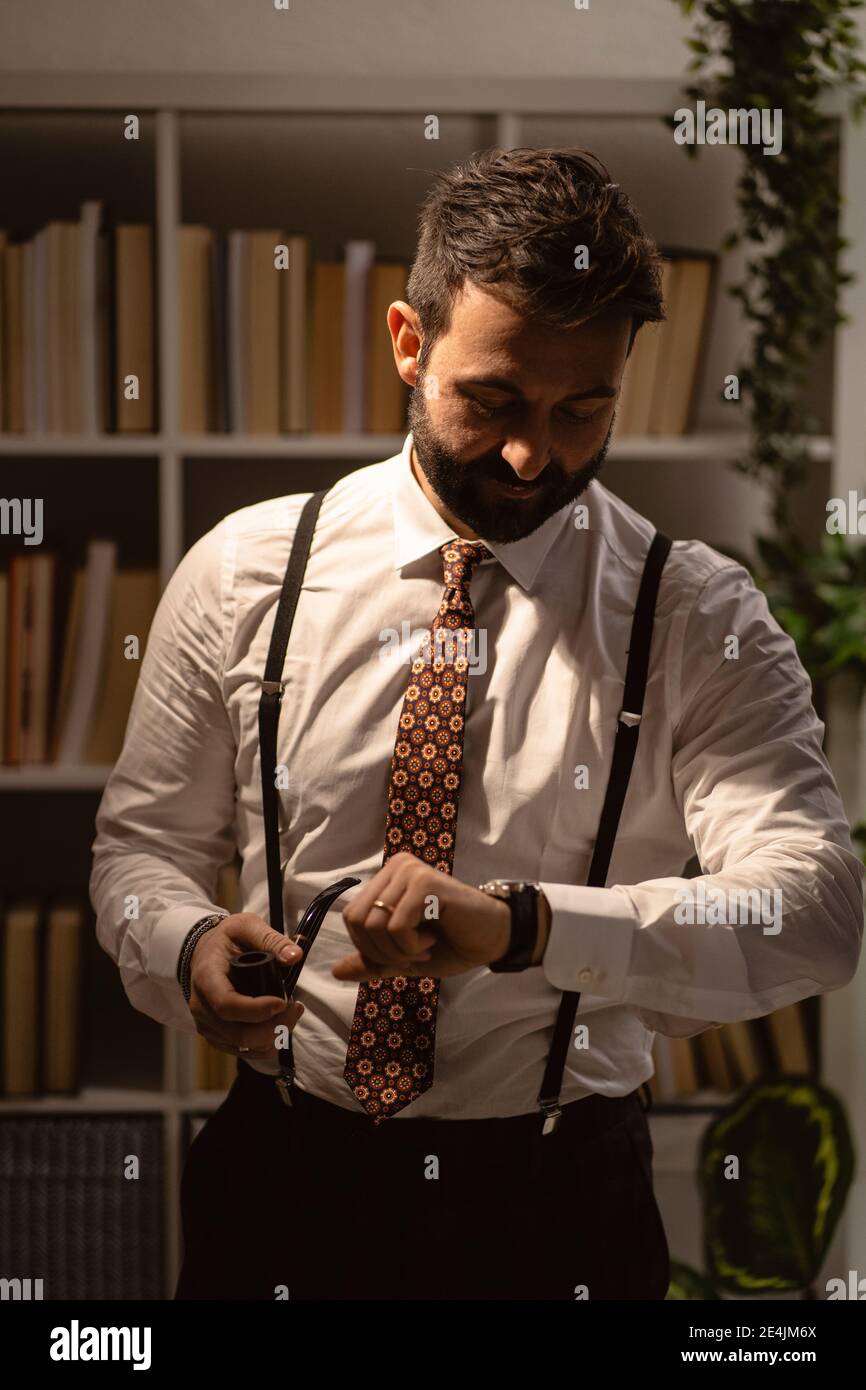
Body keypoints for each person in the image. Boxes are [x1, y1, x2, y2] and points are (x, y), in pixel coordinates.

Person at [91, 146, 864, 1302]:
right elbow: (140, 851)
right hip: (281, 1179)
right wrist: (184, 945)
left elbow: (812, 907)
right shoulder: (247, 570)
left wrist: (528, 926)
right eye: (493, 398)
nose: (528, 453)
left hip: (560, 1209)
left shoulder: (697, 614)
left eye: (581, 408)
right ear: (409, 343)